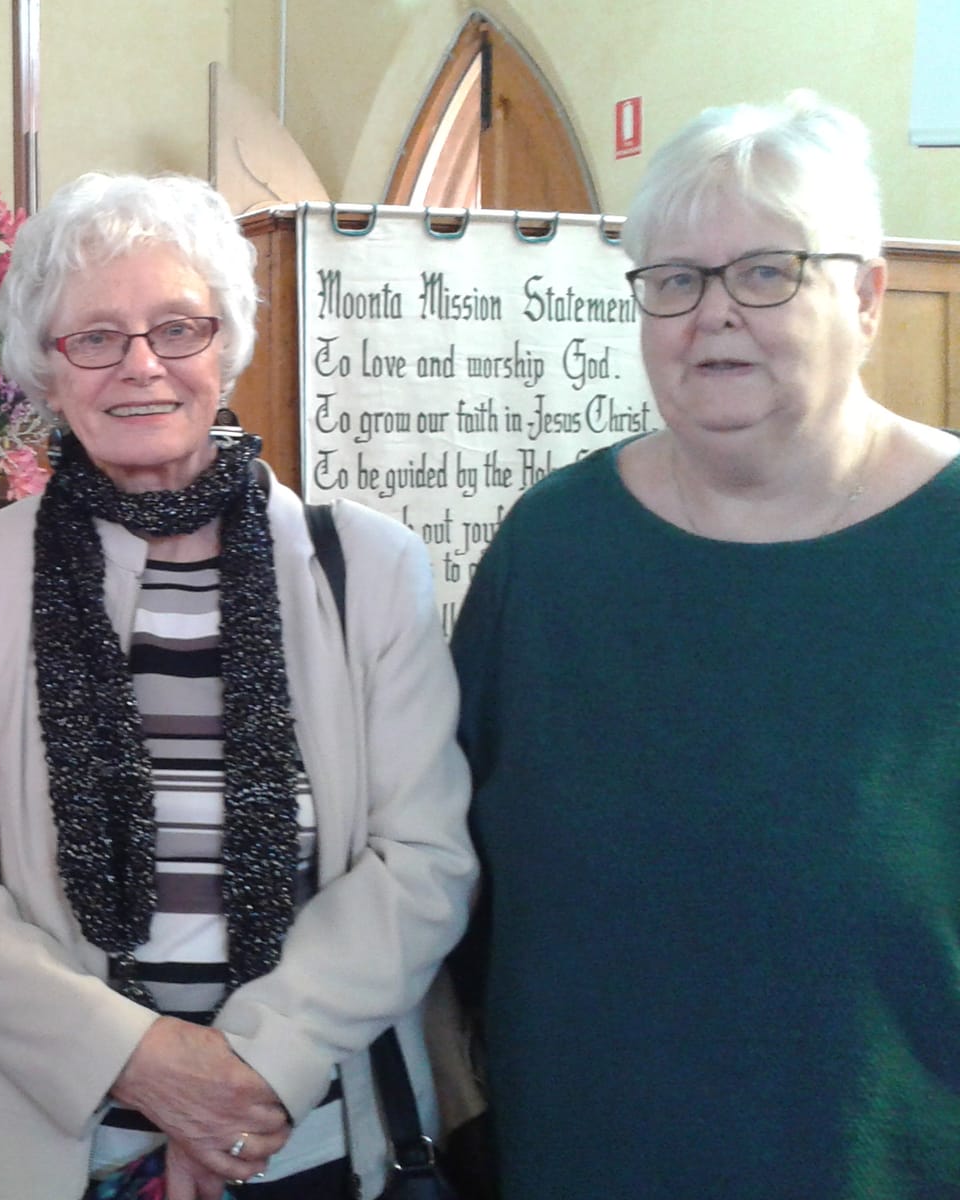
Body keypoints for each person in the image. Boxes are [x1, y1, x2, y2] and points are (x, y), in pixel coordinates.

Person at [0, 173, 477, 1200]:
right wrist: (146, 1063)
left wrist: (247, 1069)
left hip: (301, 1132)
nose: (140, 365)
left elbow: (420, 860)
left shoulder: (368, 567)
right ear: (46, 369)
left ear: (225, 344)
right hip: (42, 1148)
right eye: (94, 338)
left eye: (176, 328)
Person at [449, 92, 960, 1198]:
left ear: (866, 297)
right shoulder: (552, 550)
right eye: (673, 279)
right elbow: (449, 872)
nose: (710, 314)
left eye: (766, 270)